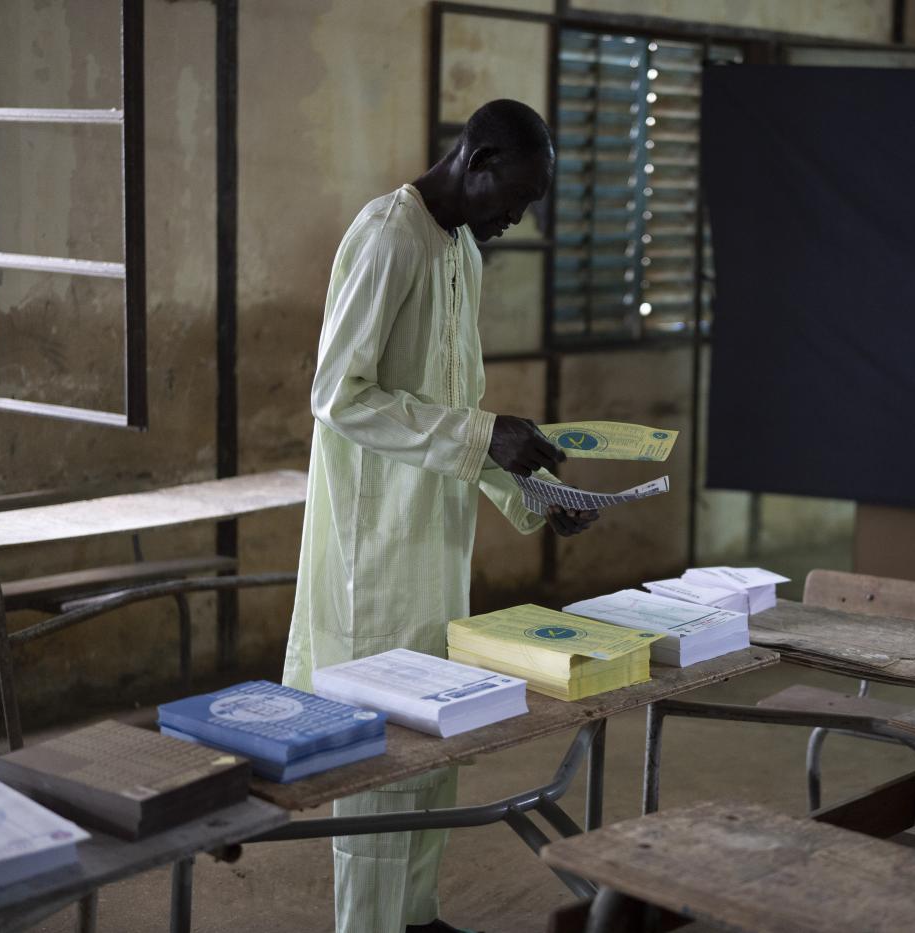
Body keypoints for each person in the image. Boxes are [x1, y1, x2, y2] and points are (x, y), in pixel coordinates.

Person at [283, 99, 597, 933]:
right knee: (382, 761)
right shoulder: (390, 238)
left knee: (436, 736)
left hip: (431, 543)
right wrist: (484, 436)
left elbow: (459, 416)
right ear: (477, 158)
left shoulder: (460, 246)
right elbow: (337, 396)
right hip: (371, 552)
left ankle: (414, 918)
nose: (516, 219)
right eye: (513, 198)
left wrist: (534, 489)